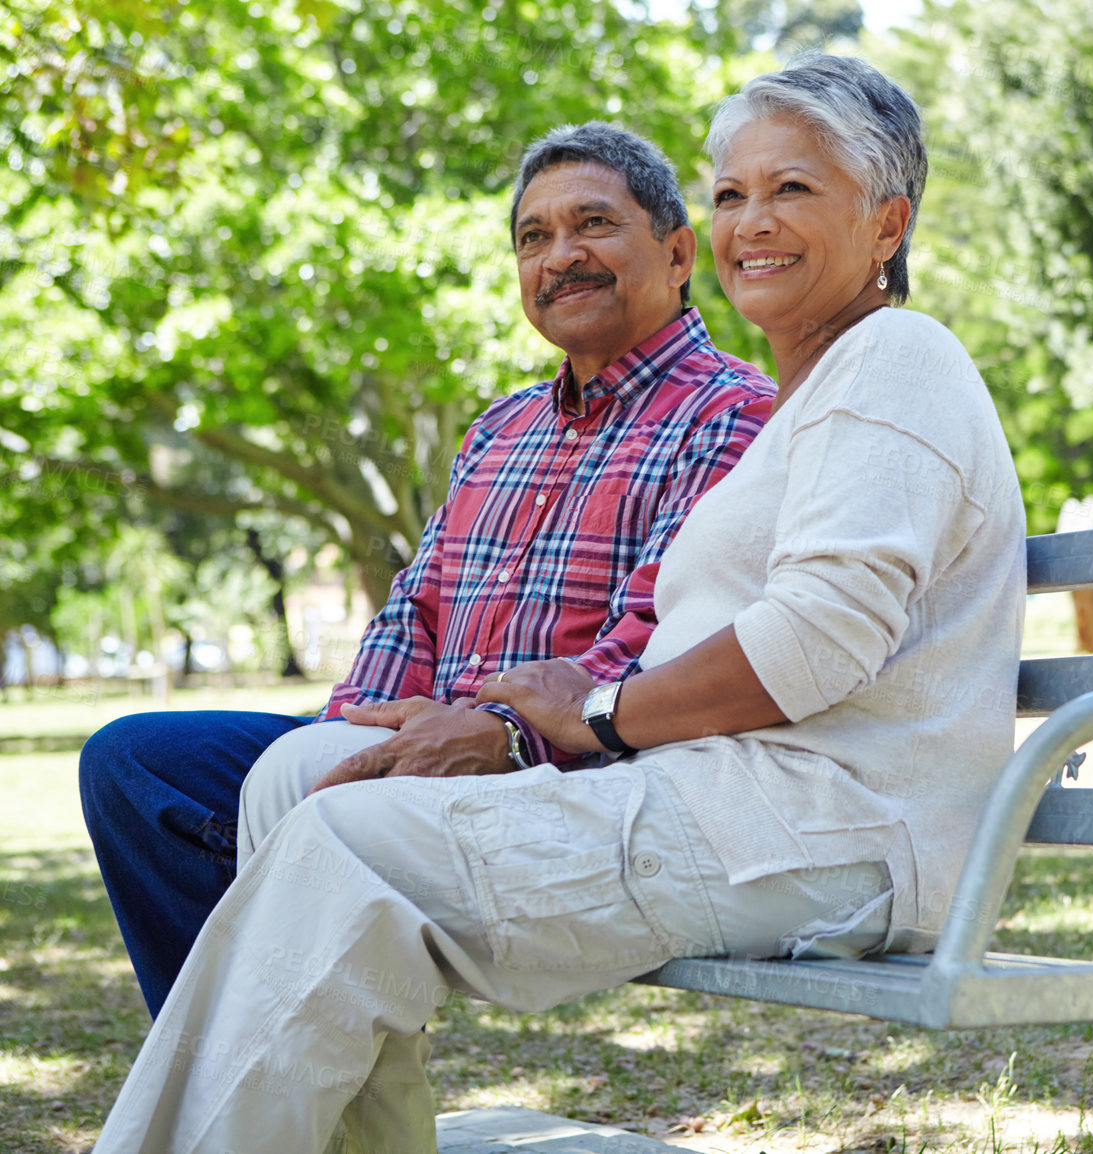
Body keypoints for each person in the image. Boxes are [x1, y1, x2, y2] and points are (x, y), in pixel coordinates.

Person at [92, 54, 1025, 1154]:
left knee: (344, 844)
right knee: (313, 793)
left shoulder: (894, 359)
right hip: (744, 805)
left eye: (793, 189)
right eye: (732, 192)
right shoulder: (813, 397)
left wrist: (589, 713)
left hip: (832, 834)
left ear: (886, 225)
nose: (752, 221)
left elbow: (815, 639)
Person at [78, 122, 775, 1018]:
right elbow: (418, 606)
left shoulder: (732, 415)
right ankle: (251, 1077)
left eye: (593, 224)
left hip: (562, 775)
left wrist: (496, 730)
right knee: (137, 763)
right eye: (533, 238)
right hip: (419, 740)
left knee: (295, 802)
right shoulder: (501, 427)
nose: (561, 256)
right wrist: (355, 729)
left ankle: (237, 1098)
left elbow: (654, 639)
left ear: (678, 252)